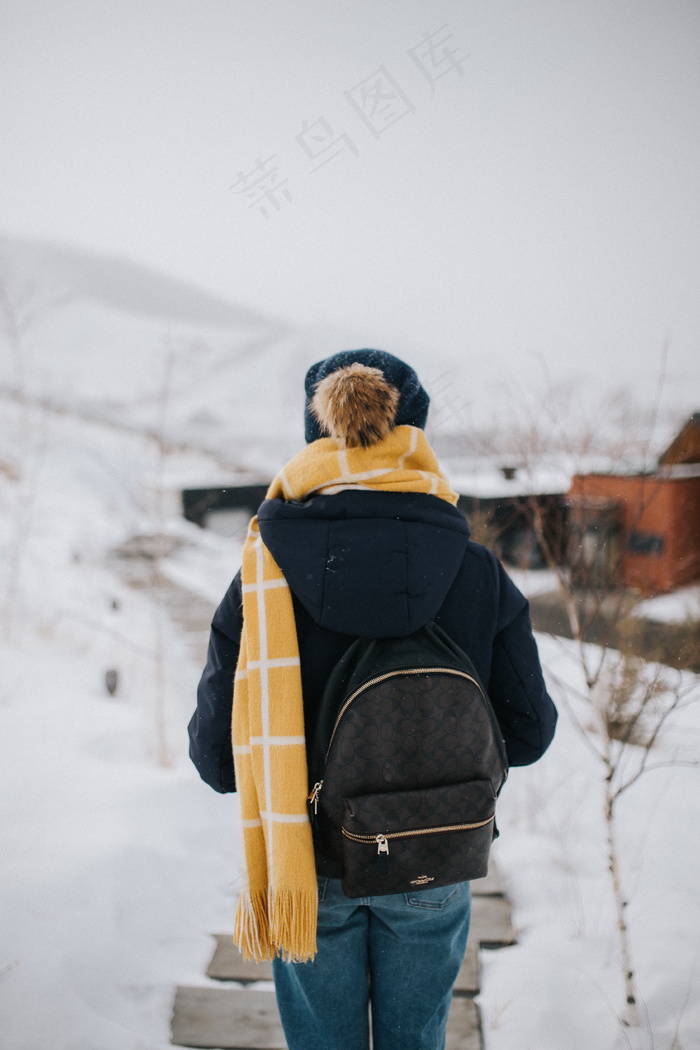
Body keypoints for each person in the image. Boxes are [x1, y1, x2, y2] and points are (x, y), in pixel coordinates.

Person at [188, 348, 557, 1050]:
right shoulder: (477, 568)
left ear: (315, 434)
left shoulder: (263, 573)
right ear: (414, 432)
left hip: (311, 868)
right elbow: (531, 734)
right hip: (435, 852)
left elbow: (216, 761)